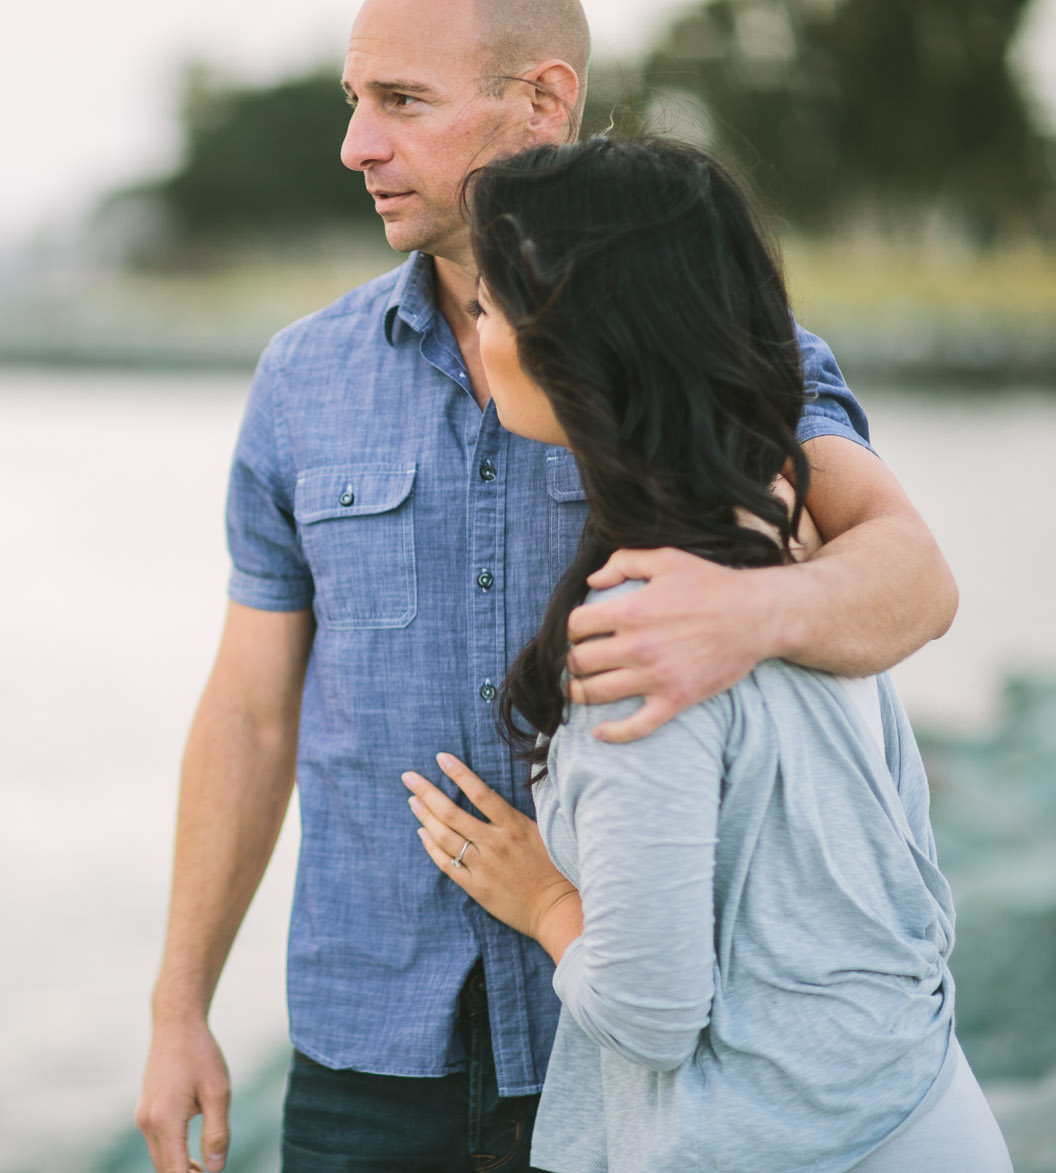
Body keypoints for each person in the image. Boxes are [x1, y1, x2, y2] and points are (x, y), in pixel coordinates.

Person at [134, 0, 958, 1168]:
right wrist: (179, 1008)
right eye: (353, 101)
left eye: (401, 102)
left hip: (619, 1054)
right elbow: (249, 712)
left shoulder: (707, 342)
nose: (356, 145)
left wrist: (742, 613)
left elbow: (913, 578)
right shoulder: (302, 377)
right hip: (367, 1040)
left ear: (542, 100)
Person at [403, 135, 1009, 1172]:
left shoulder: (650, 639)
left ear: (580, 341)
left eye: (492, 304)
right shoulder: (798, 543)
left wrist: (544, 900)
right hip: (923, 1103)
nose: (476, 328)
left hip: (791, 1147)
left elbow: (649, 1014)